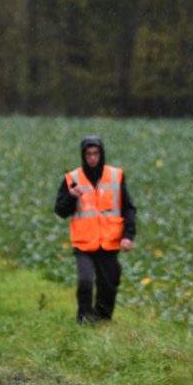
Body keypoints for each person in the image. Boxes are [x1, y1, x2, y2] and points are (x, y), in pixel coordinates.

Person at [53, 136, 136, 325]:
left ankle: (102, 320)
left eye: (96, 153)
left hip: (109, 241)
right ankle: (84, 319)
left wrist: (128, 235)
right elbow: (60, 211)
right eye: (88, 154)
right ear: (83, 155)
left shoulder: (115, 176)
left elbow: (128, 208)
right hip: (84, 243)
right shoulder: (72, 179)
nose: (92, 158)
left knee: (109, 285)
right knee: (85, 280)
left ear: (101, 154)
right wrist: (71, 197)